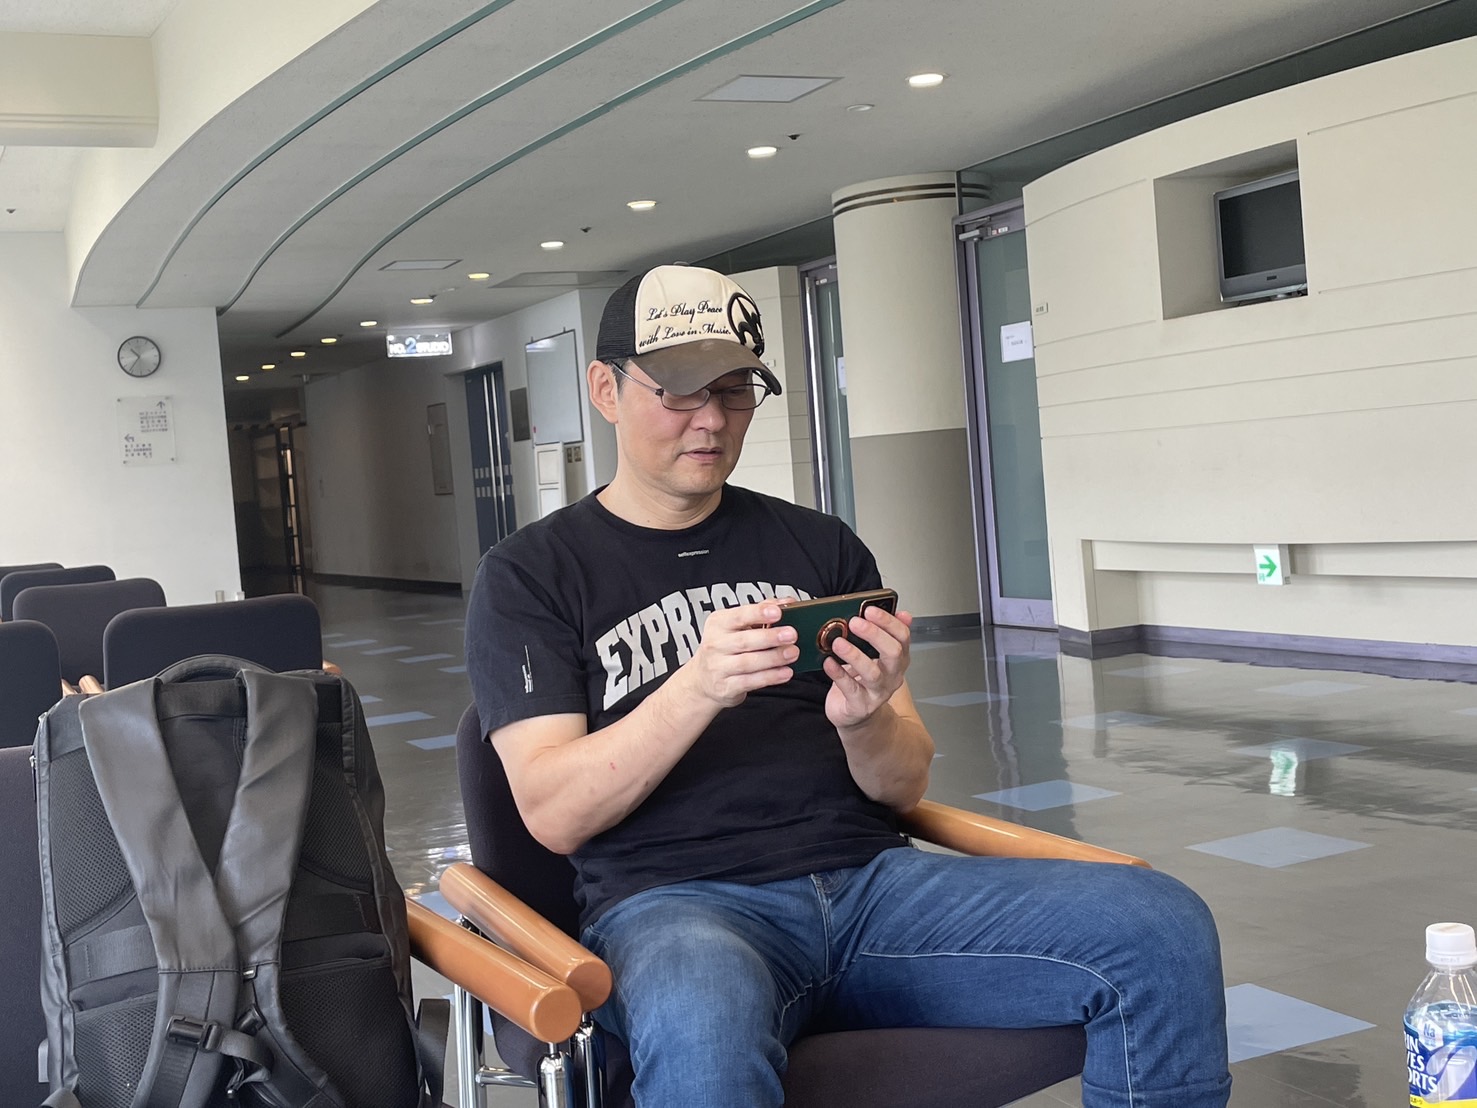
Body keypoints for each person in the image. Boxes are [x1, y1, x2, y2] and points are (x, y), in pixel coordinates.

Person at [466, 263, 1231, 1108]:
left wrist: (866, 719)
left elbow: (901, 785)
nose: (711, 420)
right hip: (676, 907)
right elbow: (554, 812)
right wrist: (696, 688)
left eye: (734, 391)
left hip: (874, 889)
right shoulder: (529, 575)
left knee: (1158, 925)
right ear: (605, 390)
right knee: (701, 1022)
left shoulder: (819, 546)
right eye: (678, 392)